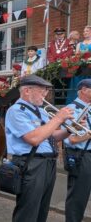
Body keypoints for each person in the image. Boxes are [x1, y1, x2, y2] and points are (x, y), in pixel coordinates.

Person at [5, 74, 74, 222]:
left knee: (42, 211)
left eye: (46, 91)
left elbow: (52, 136)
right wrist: (58, 118)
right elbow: (34, 139)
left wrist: (69, 130)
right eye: (42, 90)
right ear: (27, 91)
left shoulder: (41, 110)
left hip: (48, 164)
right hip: (31, 164)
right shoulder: (16, 110)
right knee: (28, 212)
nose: (45, 94)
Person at [64, 79, 91, 222]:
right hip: (80, 156)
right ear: (83, 90)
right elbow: (71, 139)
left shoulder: (89, 108)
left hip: (87, 155)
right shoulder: (72, 109)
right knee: (77, 197)